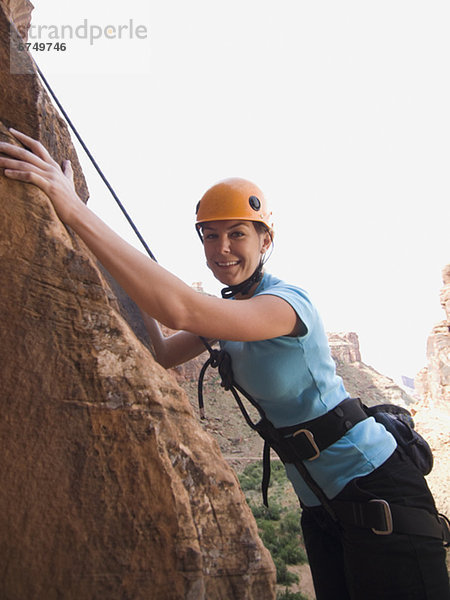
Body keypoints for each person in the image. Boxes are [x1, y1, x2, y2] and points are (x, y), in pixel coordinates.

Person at [0, 129, 449, 600]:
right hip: (321, 506)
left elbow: (180, 309)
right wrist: (93, 246)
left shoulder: (285, 304)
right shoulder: (234, 310)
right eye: (210, 236)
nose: (222, 249)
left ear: (265, 239)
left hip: (377, 490)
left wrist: (73, 206)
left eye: (237, 234)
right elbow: (162, 350)